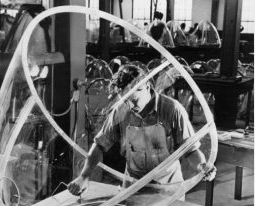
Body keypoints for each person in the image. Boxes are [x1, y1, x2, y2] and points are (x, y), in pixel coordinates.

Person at [68, 65, 216, 196]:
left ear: (146, 86)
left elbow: (190, 150)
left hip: (167, 190)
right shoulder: (120, 110)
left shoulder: (172, 110)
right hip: (133, 189)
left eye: (134, 100)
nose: (131, 106)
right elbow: (100, 145)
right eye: (126, 100)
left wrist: (202, 166)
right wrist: (84, 176)